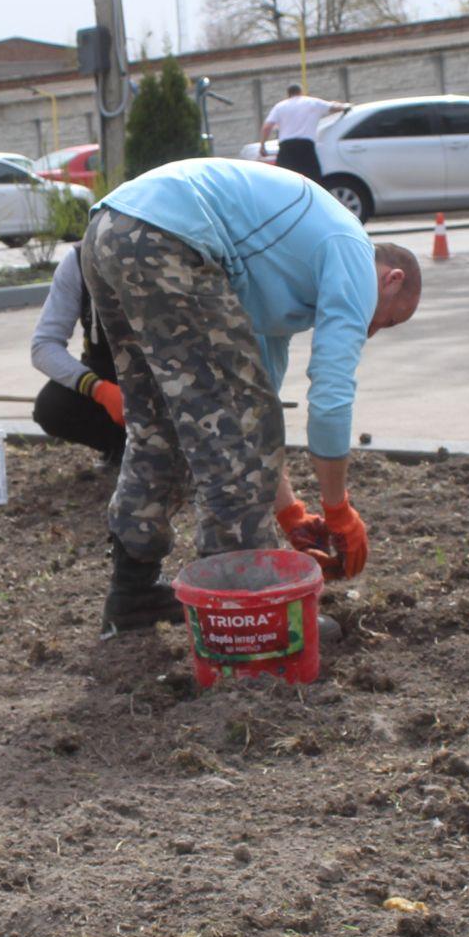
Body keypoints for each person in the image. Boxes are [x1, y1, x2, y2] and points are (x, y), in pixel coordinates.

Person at [81, 157, 421, 633]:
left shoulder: (279, 283)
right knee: (233, 426)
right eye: (388, 320)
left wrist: (291, 512)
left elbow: (250, 412)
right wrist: (338, 510)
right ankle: (247, 610)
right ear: (393, 280)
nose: (375, 330)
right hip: (169, 237)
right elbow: (329, 394)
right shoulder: (353, 253)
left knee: (162, 427)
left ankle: (133, 592)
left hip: (111, 231)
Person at [29, 242, 127, 467]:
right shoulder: (79, 260)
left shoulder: (172, 251)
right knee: (53, 407)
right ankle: (120, 444)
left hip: (167, 371)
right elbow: (43, 346)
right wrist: (100, 390)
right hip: (109, 369)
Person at [260, 84, 351, 185]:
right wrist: (346, 106)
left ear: (288, 94)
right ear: (301, 92)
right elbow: (333, 107)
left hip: (286, 148)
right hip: (305, 146)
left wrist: (262, 146)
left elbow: (267, 127)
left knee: (284, 180)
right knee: (312, 181)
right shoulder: (312, 102)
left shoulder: (280, 106)